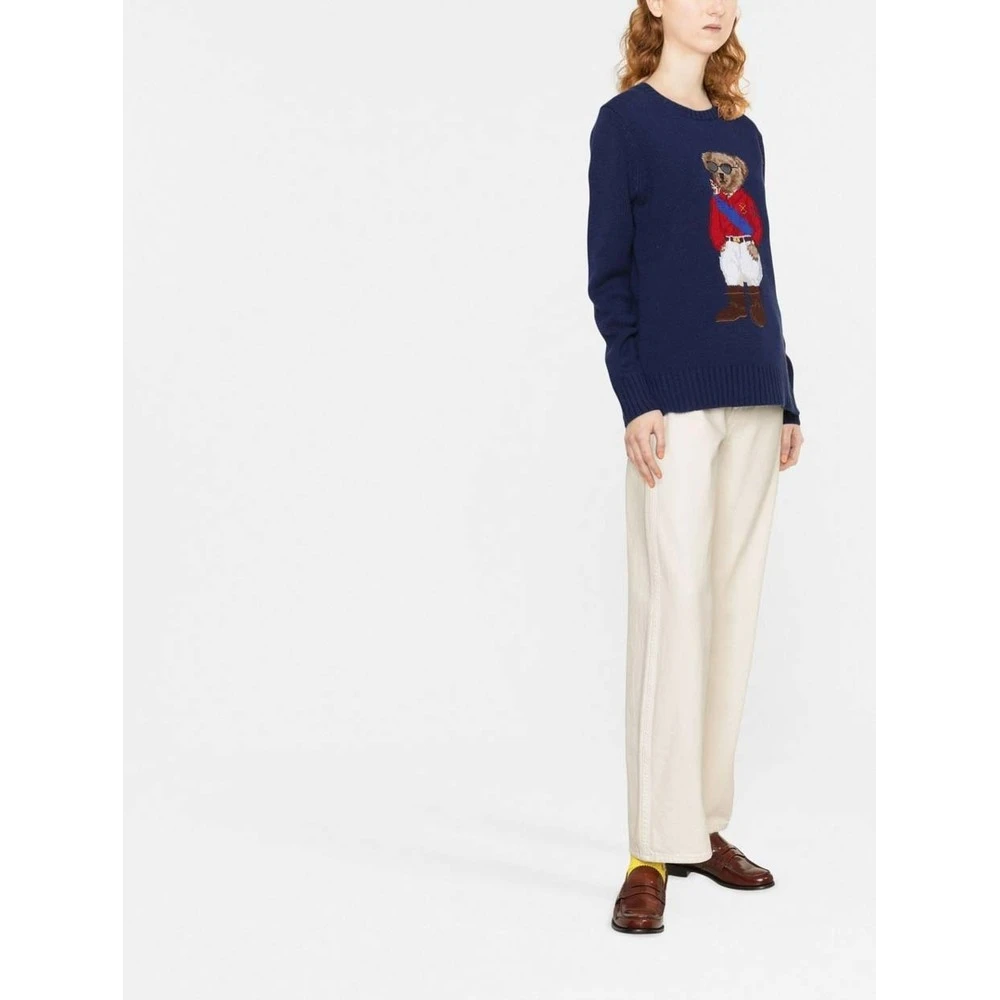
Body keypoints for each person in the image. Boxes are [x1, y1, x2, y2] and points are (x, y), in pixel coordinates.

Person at [586, 0, 805, 935]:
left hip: (752, 390)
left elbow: (761, 267)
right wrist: (635, 397)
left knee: (730, 609)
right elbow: (610, 275)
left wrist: (786, 391)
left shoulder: (741, 133)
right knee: (671, 610)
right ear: (655, 5)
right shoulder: (625, 125)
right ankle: (650, 849)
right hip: (673, 399)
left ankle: (702, 826)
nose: (717, 5)